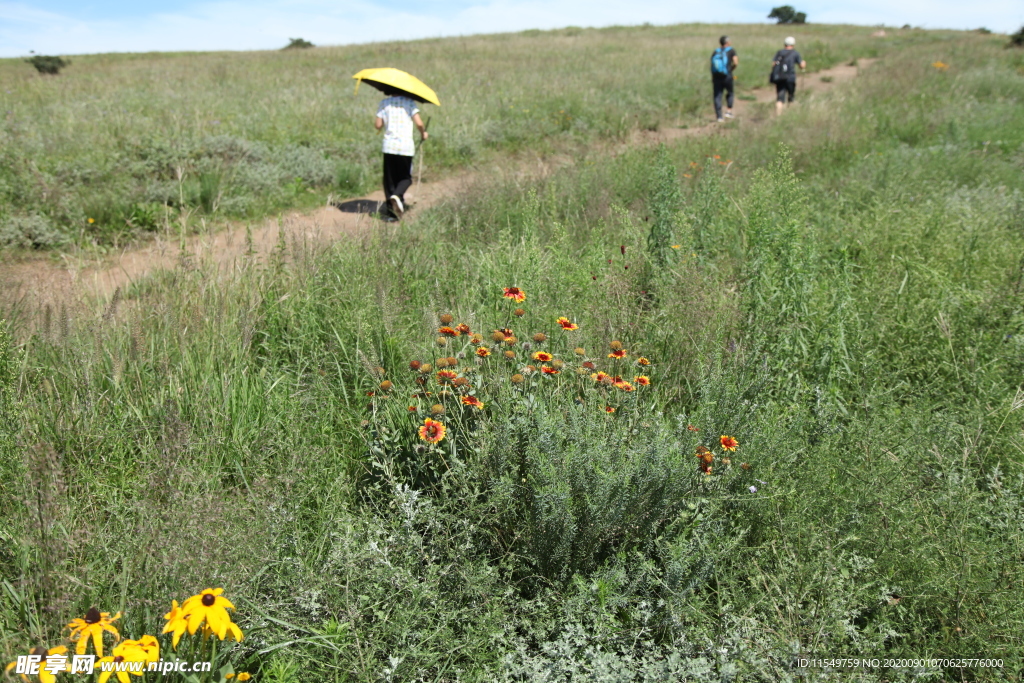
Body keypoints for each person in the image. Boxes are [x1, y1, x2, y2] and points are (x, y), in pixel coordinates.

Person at [374, 89, 428, 221]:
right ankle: (397, 197)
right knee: (405, 178)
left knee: (390, 180)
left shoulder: (384, 103)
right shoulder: (410, 103)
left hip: (389, 146)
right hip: (405, 147)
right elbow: (419, 123)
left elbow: (378, 125)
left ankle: (391, 214)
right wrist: (423, 133)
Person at [772, 36, 806, 115]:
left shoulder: (779, 52)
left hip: (780, 78)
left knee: (780, 99)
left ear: (784, 44)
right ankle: (790, 115)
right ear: (793, 44)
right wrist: (804, 63)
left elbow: (773, 64)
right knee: (791, 97)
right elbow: (801, 66)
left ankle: (778, 116)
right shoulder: (795, 53)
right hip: (790, 78)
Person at [710, 35, 739, 122]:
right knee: (730, 92)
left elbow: (712, 65)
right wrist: (731, 69)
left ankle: (719, 116)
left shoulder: (715, 51)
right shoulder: (731, 50)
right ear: (727, 42)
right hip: (727, 76)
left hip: (716, 76)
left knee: (717, 95)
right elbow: (736, 62)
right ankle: (728, 112)